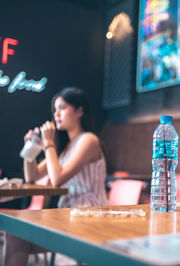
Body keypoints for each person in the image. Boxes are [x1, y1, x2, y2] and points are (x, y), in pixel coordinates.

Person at [4, 87, 108, 266]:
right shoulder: (65, 149)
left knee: (16, 233)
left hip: (90, 216)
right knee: (14, 233)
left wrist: (49, 143)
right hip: (68, 214)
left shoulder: (88, 140)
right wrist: (32, 148)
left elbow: (58, 179)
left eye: (62, 108)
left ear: (79, 111)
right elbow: (32, 177)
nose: (56, 114)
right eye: (54, 110)